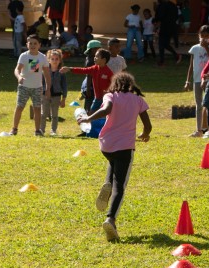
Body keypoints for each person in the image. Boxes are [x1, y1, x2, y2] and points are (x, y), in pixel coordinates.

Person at [76, 72, 152, 242]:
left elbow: (106, 109)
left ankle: (107, 182)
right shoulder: (138, 100)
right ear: (131, 85)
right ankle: (111, 218)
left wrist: (88, 117)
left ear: (115, 84)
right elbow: (148, 125)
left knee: (113, 161)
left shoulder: (110, 95)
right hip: (125, 146)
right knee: (121, 186)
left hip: (107, 145)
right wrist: (145, 134)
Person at [9, 34, 51, 136]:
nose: (33, 45)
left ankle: (37, 130)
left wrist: (48, 89)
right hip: (24, 87)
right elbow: (17, 69)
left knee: (37, 108)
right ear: (27, 44)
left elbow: (46, 74)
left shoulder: (42, 57)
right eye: (30, 43)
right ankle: (14, 129)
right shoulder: (24, 56)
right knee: (19, 107)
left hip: (37, 87)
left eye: (35, 43)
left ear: (39, 45)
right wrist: (19, 77)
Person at [61, 48, 113, 114]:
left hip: (106, 99)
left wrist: (109, 91)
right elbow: (82, 70)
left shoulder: (108, 72)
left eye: (97, 56)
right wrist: (70, 69)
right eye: (95, 56)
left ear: (104, 60)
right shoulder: (94, 68)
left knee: (102, 115)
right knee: (91, 113)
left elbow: (114, 83)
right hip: (97, 98)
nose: (94, 58)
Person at [185, 25, 209, 137]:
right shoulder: (194, 48)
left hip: (208, 79)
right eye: (202, 36)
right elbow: (191, 66)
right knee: (199, 105)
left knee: (208, 104)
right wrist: (187, 81)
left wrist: (207, 47)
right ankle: (199, 130)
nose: (204, 38)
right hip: (197, 80)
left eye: (206, 36)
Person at [41, 49, 68, 136]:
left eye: (56, 59)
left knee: (55, 114)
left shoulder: (61, 72)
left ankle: (53, 130)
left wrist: (64, 98)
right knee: (43, 113)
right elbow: (41, 82)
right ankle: (41, 129)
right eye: (52, 59)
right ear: (48, 60)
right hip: (45, 95)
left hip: (56, 96)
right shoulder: (44, 70)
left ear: (60, 60)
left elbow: (64, 86)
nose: (54, 61)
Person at [154, 0, 182, 66]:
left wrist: (157, 25)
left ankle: (162, 61)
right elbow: (176, 16)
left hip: (164, 27)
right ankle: (176, 56)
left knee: (161, 44)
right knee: (165, 44)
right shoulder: (173, 5)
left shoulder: (161, 6)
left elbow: (159, 17)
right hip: (172, 27)